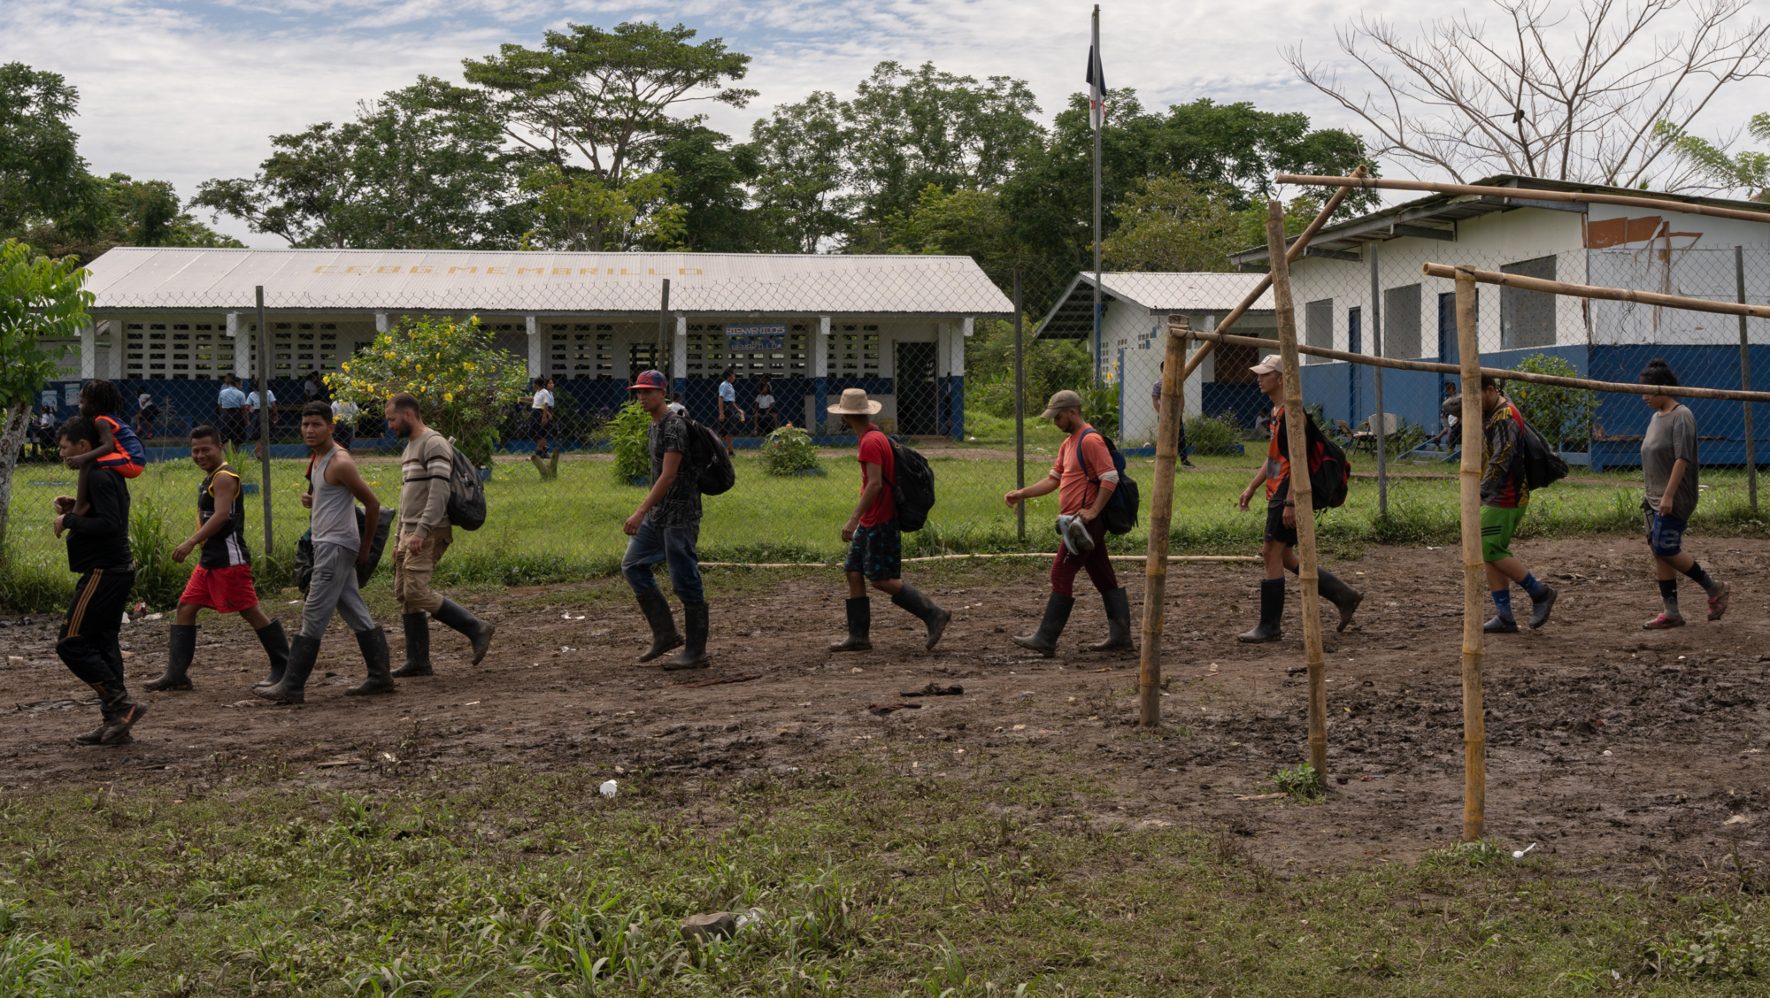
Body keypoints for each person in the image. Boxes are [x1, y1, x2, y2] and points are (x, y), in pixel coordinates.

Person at [257, 403, 391, 704]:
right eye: (305, 425)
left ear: (331, 427)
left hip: (335, 546)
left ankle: (291, 685)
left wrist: (366, 547)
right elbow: (333, 496)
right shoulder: (318, 458)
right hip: (329, 544)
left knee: (314, 613)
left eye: (316, 424)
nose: (309, 430)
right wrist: (313, 498)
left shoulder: (340, 461)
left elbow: (372, 504)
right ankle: (380, 676)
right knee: (354, 609)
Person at [144, 424, 291, 692]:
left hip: (229, 559)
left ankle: (284, 667)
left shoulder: (224, 477)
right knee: (185, 608)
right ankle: (176, 674)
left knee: (249, 611)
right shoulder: (212, 477)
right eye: (195, 450)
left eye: (205, 450)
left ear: (220, 447)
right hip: (210, 560)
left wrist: (191, 541)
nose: (200, 455)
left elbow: (222, 516)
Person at [1233, 355, 1363, 643]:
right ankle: (1344, 595)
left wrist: (1291, 500)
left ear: (1280, 378)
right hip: (1279, 488)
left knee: (1271, 553)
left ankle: (1270, 626)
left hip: (1288, 490)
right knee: (1285, 555)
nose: (1259, 378)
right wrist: (1252, 487)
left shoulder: (1293, 414)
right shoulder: (1278, 411)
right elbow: (1274, 459)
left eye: (1265, 374)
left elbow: (1299, 459)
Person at [1002, 389, 1133, 656]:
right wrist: (1022, 493)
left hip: (1084, 523)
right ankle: (1121, 637)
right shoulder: (1068, 443)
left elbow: (1110, 478)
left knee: (1060, 573)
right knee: (1102, 574)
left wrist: (1094, 511)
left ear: (1073, 412)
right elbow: (1054, 480)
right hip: (1075, 521)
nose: (1055, 422)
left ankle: (1046, 638)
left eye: (1058, 417)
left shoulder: (1090, 440)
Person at [827, 388, 951, 654]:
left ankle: (933, 613)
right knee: (853, 571)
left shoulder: (870, 442)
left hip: (880, 519)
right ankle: (858, 637)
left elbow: (874, 486)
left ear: (847, 416)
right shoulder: (876, 436)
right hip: (873, 519)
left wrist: (852, 519)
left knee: (881, 579)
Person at [385, 392, 495, 677]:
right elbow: (406, 496)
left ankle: (476, 627)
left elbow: (439, 491)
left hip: (430, 529)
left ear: (408, 415)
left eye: (393, 419)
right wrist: (399, 538)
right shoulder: (410, 447)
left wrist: (421, 531)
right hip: (410, 530)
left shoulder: (433, 443)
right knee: (404, 594)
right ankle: (418, 660)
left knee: (415, 590)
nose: (390, 425)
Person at [51, 417, 145, 745]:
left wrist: (70, 519)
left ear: (83, 447)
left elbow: (110, 523)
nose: (61, 453)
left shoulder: (101, 475)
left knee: (71, 643)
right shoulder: (101, 473)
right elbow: (103, 515)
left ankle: (123, 704)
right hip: (112, 569)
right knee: (104, 644)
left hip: (105, 572)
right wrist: (73, 507)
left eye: (64, 447)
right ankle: (116, 722)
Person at [623, 370, 710, 670]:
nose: (642, 397)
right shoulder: (654, 425)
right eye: (638, 392)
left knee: (684, 579)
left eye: (648, 391)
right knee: (633, 565)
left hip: (680, 515)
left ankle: (696, 652)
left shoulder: (674, 427)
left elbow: (669, 475)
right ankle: (666, 634)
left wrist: (640, 511)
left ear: (663, 393)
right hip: (660, 514)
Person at [1638, 360, 1729, 629]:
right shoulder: (1656, 418)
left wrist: (1668, 496)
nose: (1643, 396)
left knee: (1666, 548)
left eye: (1647, 391)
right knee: (1658, 551)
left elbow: (1682, 459)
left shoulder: (1682, 415)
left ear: (1663, 389)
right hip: (1653, 497)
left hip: (1674, 497)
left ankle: (1715, 588)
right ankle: (1671, 612)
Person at [1478, 375, 1557, 634]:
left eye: (1475, 395)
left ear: (1490, 390)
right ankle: (1505, 616)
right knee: (1490, 551)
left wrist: (1481, 491)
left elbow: (1502, 457)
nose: (1471, 403)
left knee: (1489, 548)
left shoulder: (1505, 416)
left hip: (1506, 495)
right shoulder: (1494, 411)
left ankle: (1539, 592)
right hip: (1499, 494)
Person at [63, 380, 147, 521]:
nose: (79, 406)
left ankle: (80, 505)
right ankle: (82, 503)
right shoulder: (109, 418)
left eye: (82, 402)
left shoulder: (101, 421)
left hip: (131, 461)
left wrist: (82, 458)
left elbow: (107, 446)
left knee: (88, 463)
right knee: (91, 463)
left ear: (94, 405)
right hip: (135, 459)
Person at [1150, 362, 1194, 468]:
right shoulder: (1158, 384)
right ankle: (1161, 460)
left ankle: (1184, 460)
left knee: (1181, 437)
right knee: (1163, 438)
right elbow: (1155, 399)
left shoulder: (1177, 383)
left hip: (1176, 415)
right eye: (1166, 369)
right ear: (1161, 371)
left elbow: (1181, 397)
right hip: (1164, 415)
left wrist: (1180, 411)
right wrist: (1161, 412)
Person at [245, 381, 276, 461]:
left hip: (257, 414)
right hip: (266, 413)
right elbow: (273, 405)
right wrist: (275, 415)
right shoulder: (269, 392)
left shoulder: (252, 394)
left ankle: (259, 454)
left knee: (258, 436)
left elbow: (247, 406)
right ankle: (264, 454)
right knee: (265, 435)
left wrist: (252, 410)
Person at [717, 366, 743, 456]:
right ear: (729, 376)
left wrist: (738, 410)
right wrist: (721, 413)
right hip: (725, 408)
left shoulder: (730, 385)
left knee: (729, 431)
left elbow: (732, 402)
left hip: (730, 407)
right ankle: (718, 450)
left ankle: (730, 451)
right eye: (733, 375)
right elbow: (721, 398)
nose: (734, 377)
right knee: (723, 431)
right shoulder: (724, 385)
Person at [217, 374, 248, 446]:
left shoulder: (222, 392)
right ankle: (235, 454)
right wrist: (246, 419)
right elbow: (243, 408)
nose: (241, 386)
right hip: (237, 415)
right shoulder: (241, 394)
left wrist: (222, 415)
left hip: (225, 414)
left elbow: (219, 405)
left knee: (225, 436)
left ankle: (227, 454)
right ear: (237, 384)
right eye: (241, 384)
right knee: (237, 437)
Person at [530, 376, 555, 458]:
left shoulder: (544, 392)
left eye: (534, 383)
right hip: (535, 412)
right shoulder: (537, 392)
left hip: (540, 413)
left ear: (537, 384)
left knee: (541, 433)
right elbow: (535, 401)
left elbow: (545, 404)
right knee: (533, 432)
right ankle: (543, 449)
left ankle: (539, 452)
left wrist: (544, 417)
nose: (532, 385)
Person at [1430, 382, 1461, 449]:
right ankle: (1448, 443)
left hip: (1447, 416)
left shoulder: (1453, 396)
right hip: (1446, 416)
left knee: (1447, 429)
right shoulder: (1449, 398)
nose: (1454, 390)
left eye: (1454, 389)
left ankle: (1438, 438)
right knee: (1449, 429)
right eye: (1452, 389)